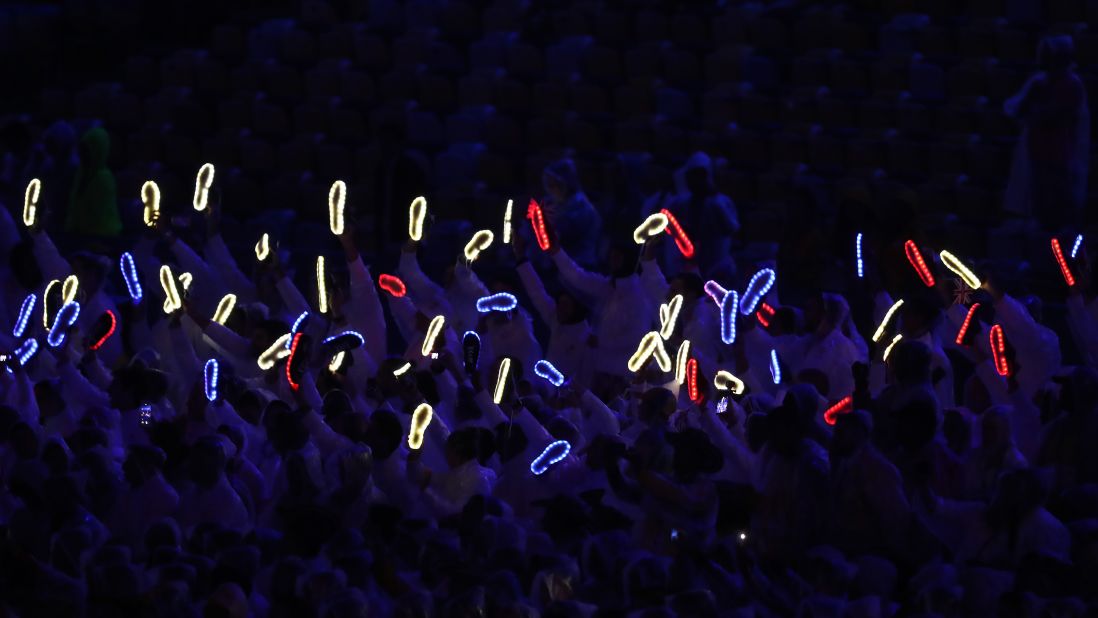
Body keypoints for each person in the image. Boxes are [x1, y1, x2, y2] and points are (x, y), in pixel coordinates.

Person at [1004, 35, 1089, 231]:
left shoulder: (1072, 84)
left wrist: (1037, 108)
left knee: (1059, 206)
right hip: (1038, 153)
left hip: (1061, 155)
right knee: (1040, 203)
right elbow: (1015, 109)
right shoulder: (1039, 83)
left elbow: (1052, 115)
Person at [540, 159, 601, 268]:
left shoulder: (581, 208)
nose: (549, 189)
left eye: (553, 184)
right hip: (562, 267)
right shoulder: (555, 204)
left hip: (581, 266)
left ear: (564, 183)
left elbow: (563, 238)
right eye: (548, 185)